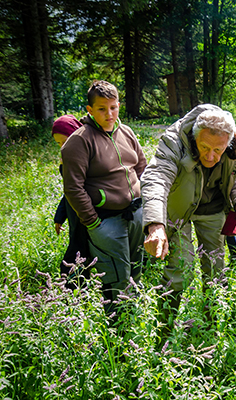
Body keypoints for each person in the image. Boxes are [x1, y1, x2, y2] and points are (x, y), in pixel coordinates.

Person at [142, 104, 236, 333]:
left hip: (213, 208)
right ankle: (165, 330)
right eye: (204, 147)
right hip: (178, 210)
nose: (211, 156)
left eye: (218, 150)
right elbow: (156, 179)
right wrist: (156, 225)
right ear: (194, 137)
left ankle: (212, 326)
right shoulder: (174, 140)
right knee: (181, 270)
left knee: (215, 269)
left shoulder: (233, 141)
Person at [62, 80, 147, 318]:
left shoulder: (127, 132)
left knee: (136, 267)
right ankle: (116, 327)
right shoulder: (79, 141)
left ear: (119, 105)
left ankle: (135, 317)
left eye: (113, 107)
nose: (109, 114)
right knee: (114, 276)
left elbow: (142, 168)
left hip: (135, 214)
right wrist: (92, 223)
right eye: (102, 108)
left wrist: (146, 206)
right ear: (89, 110)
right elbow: (73, 188)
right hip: (105, 221)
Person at [52, 115, 90, 287]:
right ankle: (79, 290)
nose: (62, 147)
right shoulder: (66, 159)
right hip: (74, 215)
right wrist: (59, 217)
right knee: (80, 251)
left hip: (86, 214)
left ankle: (72, 291)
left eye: (65, 141)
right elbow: (68, 192)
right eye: (59, 144)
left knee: (78, 253)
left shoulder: (86, 158)